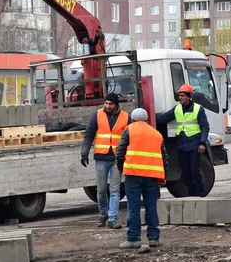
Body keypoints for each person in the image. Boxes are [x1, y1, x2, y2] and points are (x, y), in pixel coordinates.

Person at [115, 108, 168, 249]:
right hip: (151, 176)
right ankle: (154, 238)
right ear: (146, 120)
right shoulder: (156, 134)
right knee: (151, 207)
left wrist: (121, 167)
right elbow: (164, 157)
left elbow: (119, 152)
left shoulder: (129, 130)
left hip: (133, 175)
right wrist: (163, 176)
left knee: (134, 207)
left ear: (132, 119)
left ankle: (133, 238)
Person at [80, 93, 131, 229]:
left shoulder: (126, 117)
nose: (107, 106)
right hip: (101, 158)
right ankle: (103, 214)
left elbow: (130, 137)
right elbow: (89, 134)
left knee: (114, 190)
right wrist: (84, 153)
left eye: (110, 104)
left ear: (116, 105)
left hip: (116, 159)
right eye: (106, 103)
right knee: (101, 190)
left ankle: (112, 218)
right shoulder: (97, 115)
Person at [157, 83, 209, 197]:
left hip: (194, 144)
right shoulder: (177, 109)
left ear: (189, 96)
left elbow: (204, 127)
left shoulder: (198, 109)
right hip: (181, 145)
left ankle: (199, 194)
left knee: (195, 171)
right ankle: (191, 194)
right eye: (179, 95)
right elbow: (164, 118)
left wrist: (202, 143)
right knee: (185, 173)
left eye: (182, 95)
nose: (180, 98)